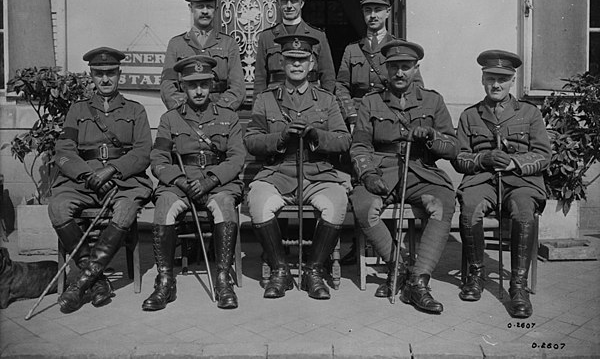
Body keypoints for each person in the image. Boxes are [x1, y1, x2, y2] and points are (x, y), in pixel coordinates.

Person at [350, 40, 458, 314]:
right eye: (394, 67)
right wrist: (367, 174)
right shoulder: (370, 102)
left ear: (415, 69)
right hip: (382, 170)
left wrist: (432, 137)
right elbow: (360, 145)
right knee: (363, 205)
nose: (400, 73)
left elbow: (454, 146)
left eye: (406, 67)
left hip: (421, 169)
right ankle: (397, 264)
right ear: (386, 69)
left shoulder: (433, 100)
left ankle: (418, 281)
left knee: (443, 203)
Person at [244, 33, 351, 300]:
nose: (296, 64)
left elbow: (343, 141)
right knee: (257, 201)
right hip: (278, 172)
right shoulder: (266, 99)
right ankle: (281, 271)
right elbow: (251, 140)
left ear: (312, 64)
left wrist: (316, 136)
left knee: (337, 202)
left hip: (317, 173)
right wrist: (279, 139)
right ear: (281, 62)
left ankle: (313, 271)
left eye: (302, 59)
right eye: (291, 59)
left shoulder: (326, 100)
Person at [48, 47, 153, 313]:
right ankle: (97, 280)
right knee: (58, 207)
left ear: (120, 74)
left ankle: (81, 283)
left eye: (110, 73)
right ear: (91, 76)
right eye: (99, 74)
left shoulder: (136, 110)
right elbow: (64, 150)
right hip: (83, 181)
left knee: (127, 208)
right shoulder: (77, 110)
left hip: (123, 181)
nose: (105, 79)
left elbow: (143, 152)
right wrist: (86, 174)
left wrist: (113, 170)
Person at [452, 50, 551, 318]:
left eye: (503, 80)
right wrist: (483, 158)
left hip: (521, 181)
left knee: (522, 212)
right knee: (469, 207)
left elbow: (543, 155)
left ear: (512, 81)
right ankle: (475, 275)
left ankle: (518, 286)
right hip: (482, 179)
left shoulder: (530, 113)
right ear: (482, 79)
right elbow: (459, 157)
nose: (496, 85)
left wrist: (514, 163)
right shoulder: (469, 115)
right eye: (491, 78)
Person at [143, 55, 246, 311]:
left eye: (203, 84)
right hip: (181, 184)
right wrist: (178, 180)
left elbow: (236, 157)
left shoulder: (228, 117)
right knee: (165, 204)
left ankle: (223, 280)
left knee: (224, 204)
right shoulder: (170, 119)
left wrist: (211, 181)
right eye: (192, 85)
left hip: (217, 183)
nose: (198, 91)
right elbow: (158, 158)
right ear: (182, 86)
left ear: (212, 85)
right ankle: (165, 280)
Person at [335, 0, 424, 127]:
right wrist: (351, 115)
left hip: (390, 116)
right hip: (358, 118)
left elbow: (416, 86)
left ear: (388, 12)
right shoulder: (352, 50)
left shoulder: (399, 48)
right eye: (368, 10)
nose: (372, 16)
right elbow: (341, 86)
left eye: (378, 10)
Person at [160, 0, 246, 111]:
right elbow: (167, 85)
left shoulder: (228, 44)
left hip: (220, 110)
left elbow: (237, 86)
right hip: (185, 113)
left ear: (216, 9)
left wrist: (221, 110)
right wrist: (184, 108)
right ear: (191, 8)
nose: (205, 11)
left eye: (209, 6)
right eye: (200, 6)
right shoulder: (176, 44)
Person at [254, 0, 335, 95]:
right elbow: (260, 79)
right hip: (275, 100)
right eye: (284, 0)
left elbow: (328, 77)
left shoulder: (317, 36)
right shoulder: (267, 37)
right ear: (278, 3)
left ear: (302, 3)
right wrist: (259, 110)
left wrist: (323, 106)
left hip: (310, 100)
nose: (289, 6)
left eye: (294, 0)